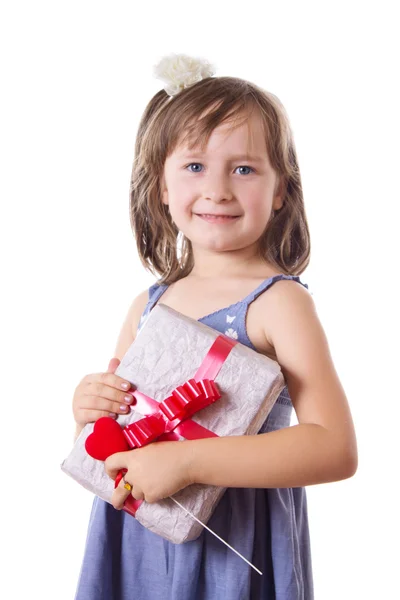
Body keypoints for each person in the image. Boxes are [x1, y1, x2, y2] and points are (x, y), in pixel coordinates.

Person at [72, 53, 358, 600]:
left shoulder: (278, 304)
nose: (219, 188)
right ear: (160, 184)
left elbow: (334, 448)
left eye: (244, 168)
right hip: (137, 536)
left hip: (235, 545)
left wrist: (190, 460)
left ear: (280, 191)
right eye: (195, 166)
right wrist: (89, 410)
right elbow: (113, 437)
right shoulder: (148, 305)